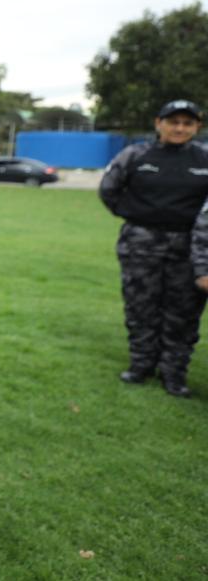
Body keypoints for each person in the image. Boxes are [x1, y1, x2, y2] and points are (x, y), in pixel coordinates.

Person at [99, 99, 208, 397]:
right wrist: (135, 214)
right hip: (140, 243)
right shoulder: (135, 155)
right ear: (159, 123)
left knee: (183, 313)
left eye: (187, 123)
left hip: (189, 247)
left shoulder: (204, 159)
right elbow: (109, 190)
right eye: (173, 122)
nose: (179, 128)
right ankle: (141, 364)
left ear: (197, 127)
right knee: (141, 307)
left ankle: (174, 374)